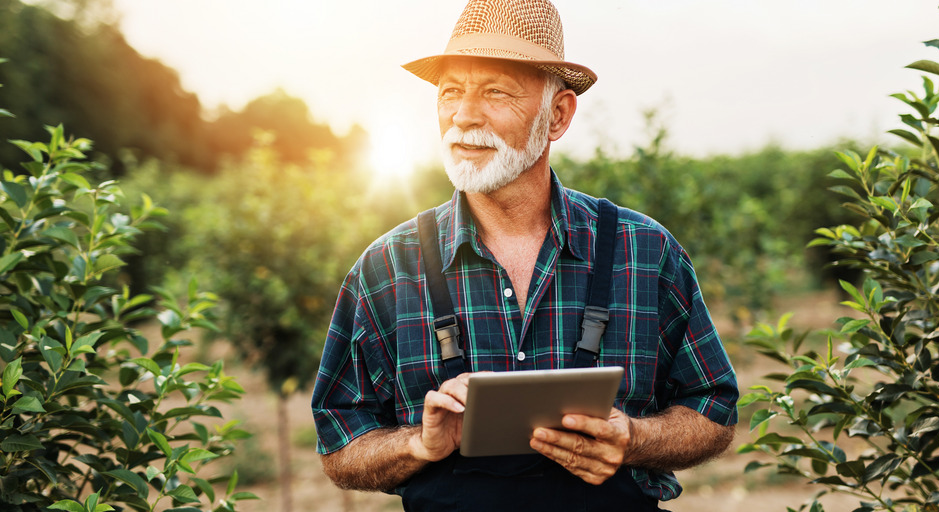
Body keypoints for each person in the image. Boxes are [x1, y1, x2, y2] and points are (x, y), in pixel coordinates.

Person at [311, 0, 739, 509]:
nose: (464, 115)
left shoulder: (644, 251)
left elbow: (712, 410)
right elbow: (341, 447)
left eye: (495, 91)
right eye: (451, 92)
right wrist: (417, 444)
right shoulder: (385, 270)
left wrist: (634, 439)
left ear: (557, 115)